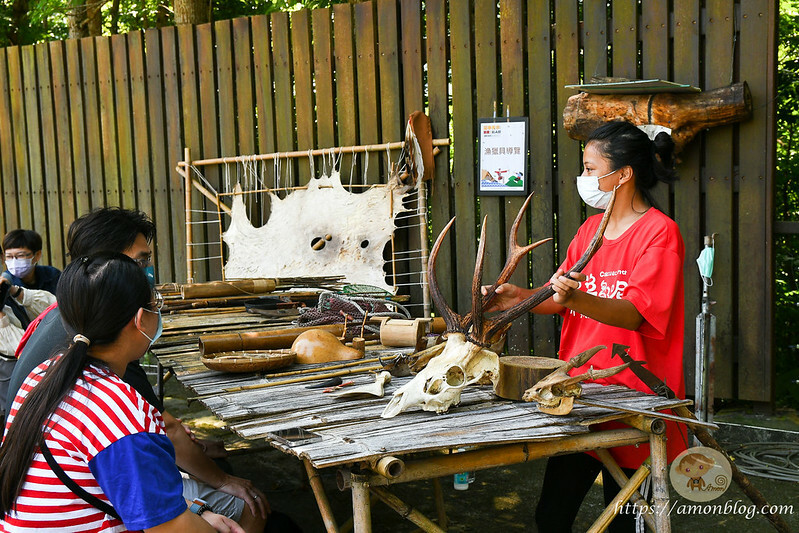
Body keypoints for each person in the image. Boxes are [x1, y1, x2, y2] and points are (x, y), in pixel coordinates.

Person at [4, 208, 273, 533]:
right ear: (138, 319)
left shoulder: (52, 369)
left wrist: (194, 509)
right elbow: (168, 528)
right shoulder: (120, 411)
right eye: (154, 307)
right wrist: (202, 518)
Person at [485, 121, 686, 532]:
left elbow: (634, 313)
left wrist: (576, 298)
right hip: (577, 393)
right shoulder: (589, 230)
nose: (585, 178)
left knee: (624, 522)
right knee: (551, 515)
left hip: (634, 400)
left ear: (624, 174)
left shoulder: (659, 234)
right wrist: (518, 297)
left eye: (591, 169)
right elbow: (559, 298)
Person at [2, 229, 61, 294]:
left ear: (37, 255)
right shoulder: (5, 282)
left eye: (20, 255)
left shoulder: (52, 275)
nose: (14, 262)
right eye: (9, 256)